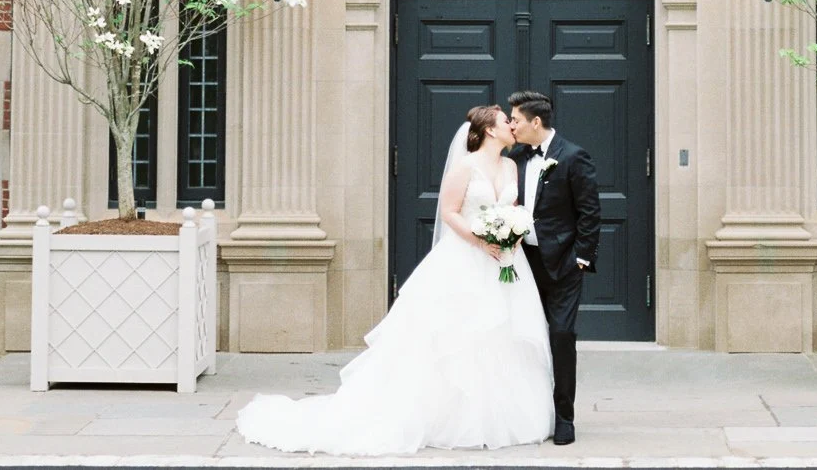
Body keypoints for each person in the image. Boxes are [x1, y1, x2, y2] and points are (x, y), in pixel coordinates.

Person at [235, 105, 555, 454]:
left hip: (506, 262)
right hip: (466, 259)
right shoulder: (465, 167)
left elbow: (517, 211)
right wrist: (482, 240)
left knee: (504, 333)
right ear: (489, 130)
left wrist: (512, 236)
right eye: (504, 120)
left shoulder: (511, 166)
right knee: (458, 338)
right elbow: (449, 212)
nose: (512, 125)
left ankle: (502, 415)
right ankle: (452, 417)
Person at [505, 89, 602, 446]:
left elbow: (590, 213)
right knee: (523, 339)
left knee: (561, 336)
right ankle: (528, 412)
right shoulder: (514, 156)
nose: (511, 125)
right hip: (522, 265)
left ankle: (564, 417)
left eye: (515, 119)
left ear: (535, 121)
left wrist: (581, 258)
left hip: (562, 266)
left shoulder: (574, 157)